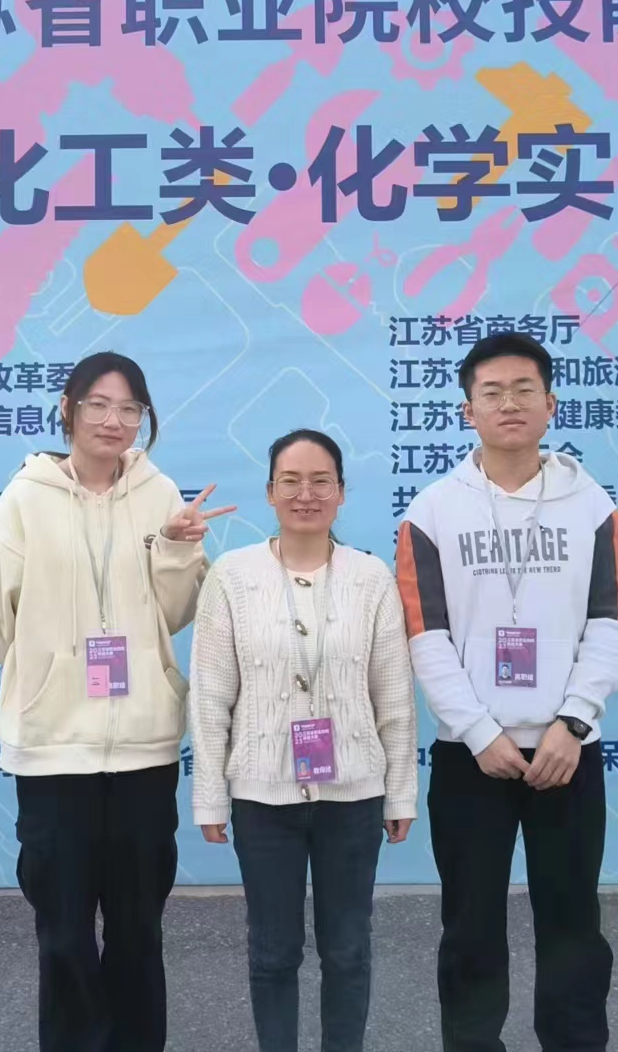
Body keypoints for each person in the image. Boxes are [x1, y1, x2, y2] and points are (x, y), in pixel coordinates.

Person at [0, 351, 235, 1052]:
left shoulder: (158, 493)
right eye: (99, 405)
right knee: (63, 936)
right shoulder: (22, 501)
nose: (114, 421)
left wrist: (174, 550)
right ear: (68, 408)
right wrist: (49, 672)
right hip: (54, 753)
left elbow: (175, 612)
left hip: (144, 749)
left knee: (138, 932)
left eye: (129, 409)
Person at [396, 332, 618, 1052]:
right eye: (492, 392)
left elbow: (610, 619)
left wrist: (574, 722)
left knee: (572, 924)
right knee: (470, 929)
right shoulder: (433, 511)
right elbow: (425, 635)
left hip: (568, 752)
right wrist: (479, 732)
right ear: (468, 410)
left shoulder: (592, 505)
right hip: (472, 758)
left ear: (550, 404)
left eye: (524, 389)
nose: (509, 404)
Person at [189, 429, 419, 1052]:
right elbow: (210, 698)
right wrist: (211, 796)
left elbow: (394, 698)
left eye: (321, 481)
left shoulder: (371, 579)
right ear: (270, 492)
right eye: (290, 481)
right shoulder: (232, 577)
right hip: (262, 799)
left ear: (341, 492)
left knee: (348, 950)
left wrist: (400, 792)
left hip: (354, 796)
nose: (306, 494)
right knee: (273, 952)